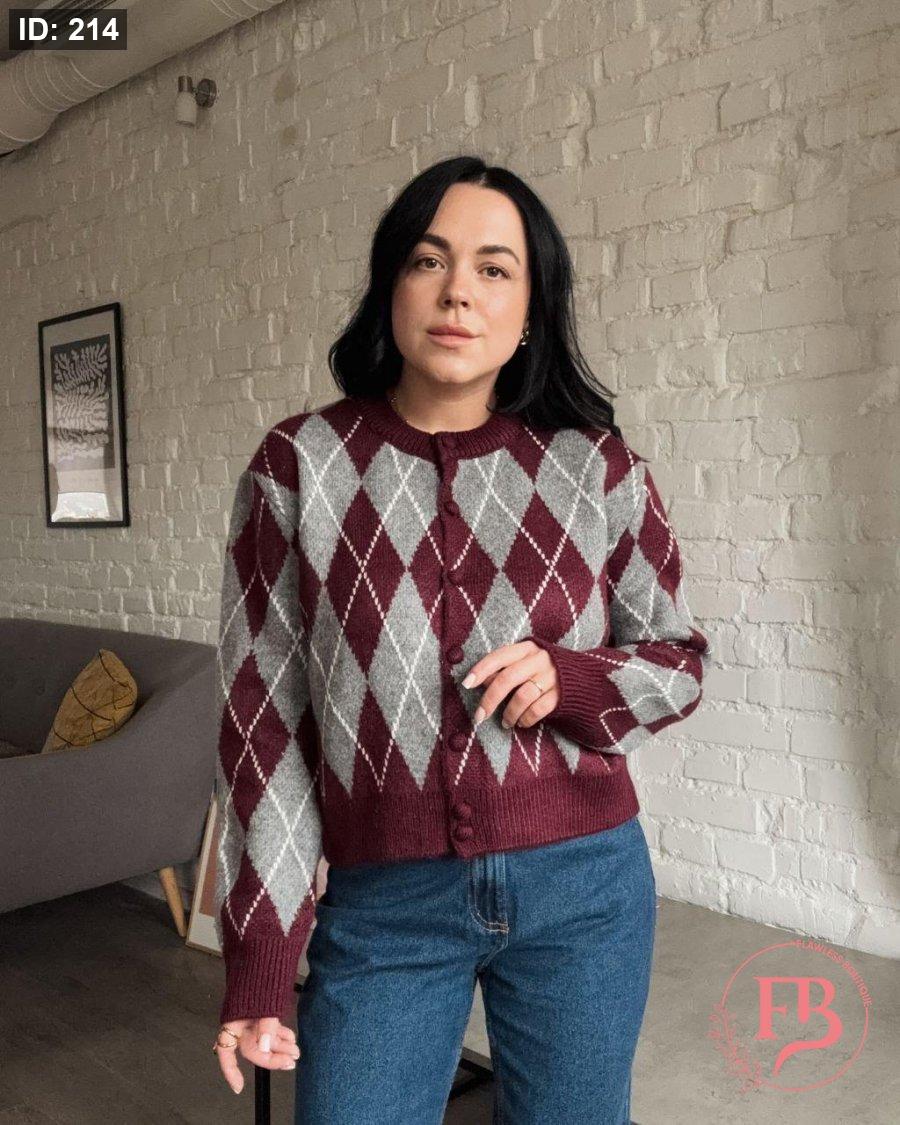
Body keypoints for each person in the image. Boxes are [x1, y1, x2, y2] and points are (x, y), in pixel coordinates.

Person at [211, 154, 711, 1123]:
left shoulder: (598, 468)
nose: (457, 292)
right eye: (428, 260)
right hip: (385, 905)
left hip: (586, 890)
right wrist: (262, 958)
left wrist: (573, 679)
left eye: (493, 268)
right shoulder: (299, 467)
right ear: (391, 284)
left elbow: (677, 662)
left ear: (531, 310)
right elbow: (263, 728)